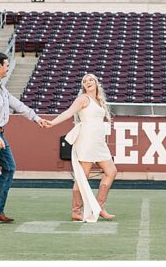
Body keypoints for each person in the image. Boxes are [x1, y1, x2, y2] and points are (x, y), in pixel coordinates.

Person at [0, 52, 49, 225]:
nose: (7, 68)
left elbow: (18, 105)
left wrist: (37, 118)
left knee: (9, 168)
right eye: (6, 65)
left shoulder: (0, 88)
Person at [45, 73, 118, 222]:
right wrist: (53, 122)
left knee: (111, 171)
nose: (88, 82)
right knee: (82, 177)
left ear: (96, 83)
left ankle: (99, 206)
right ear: (83, 86)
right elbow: (68, 112)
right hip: (87, 141)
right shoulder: (83, 99)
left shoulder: (99, 100)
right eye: (85, 81)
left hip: (99, 142)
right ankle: (76, 211)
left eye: (91, 79)